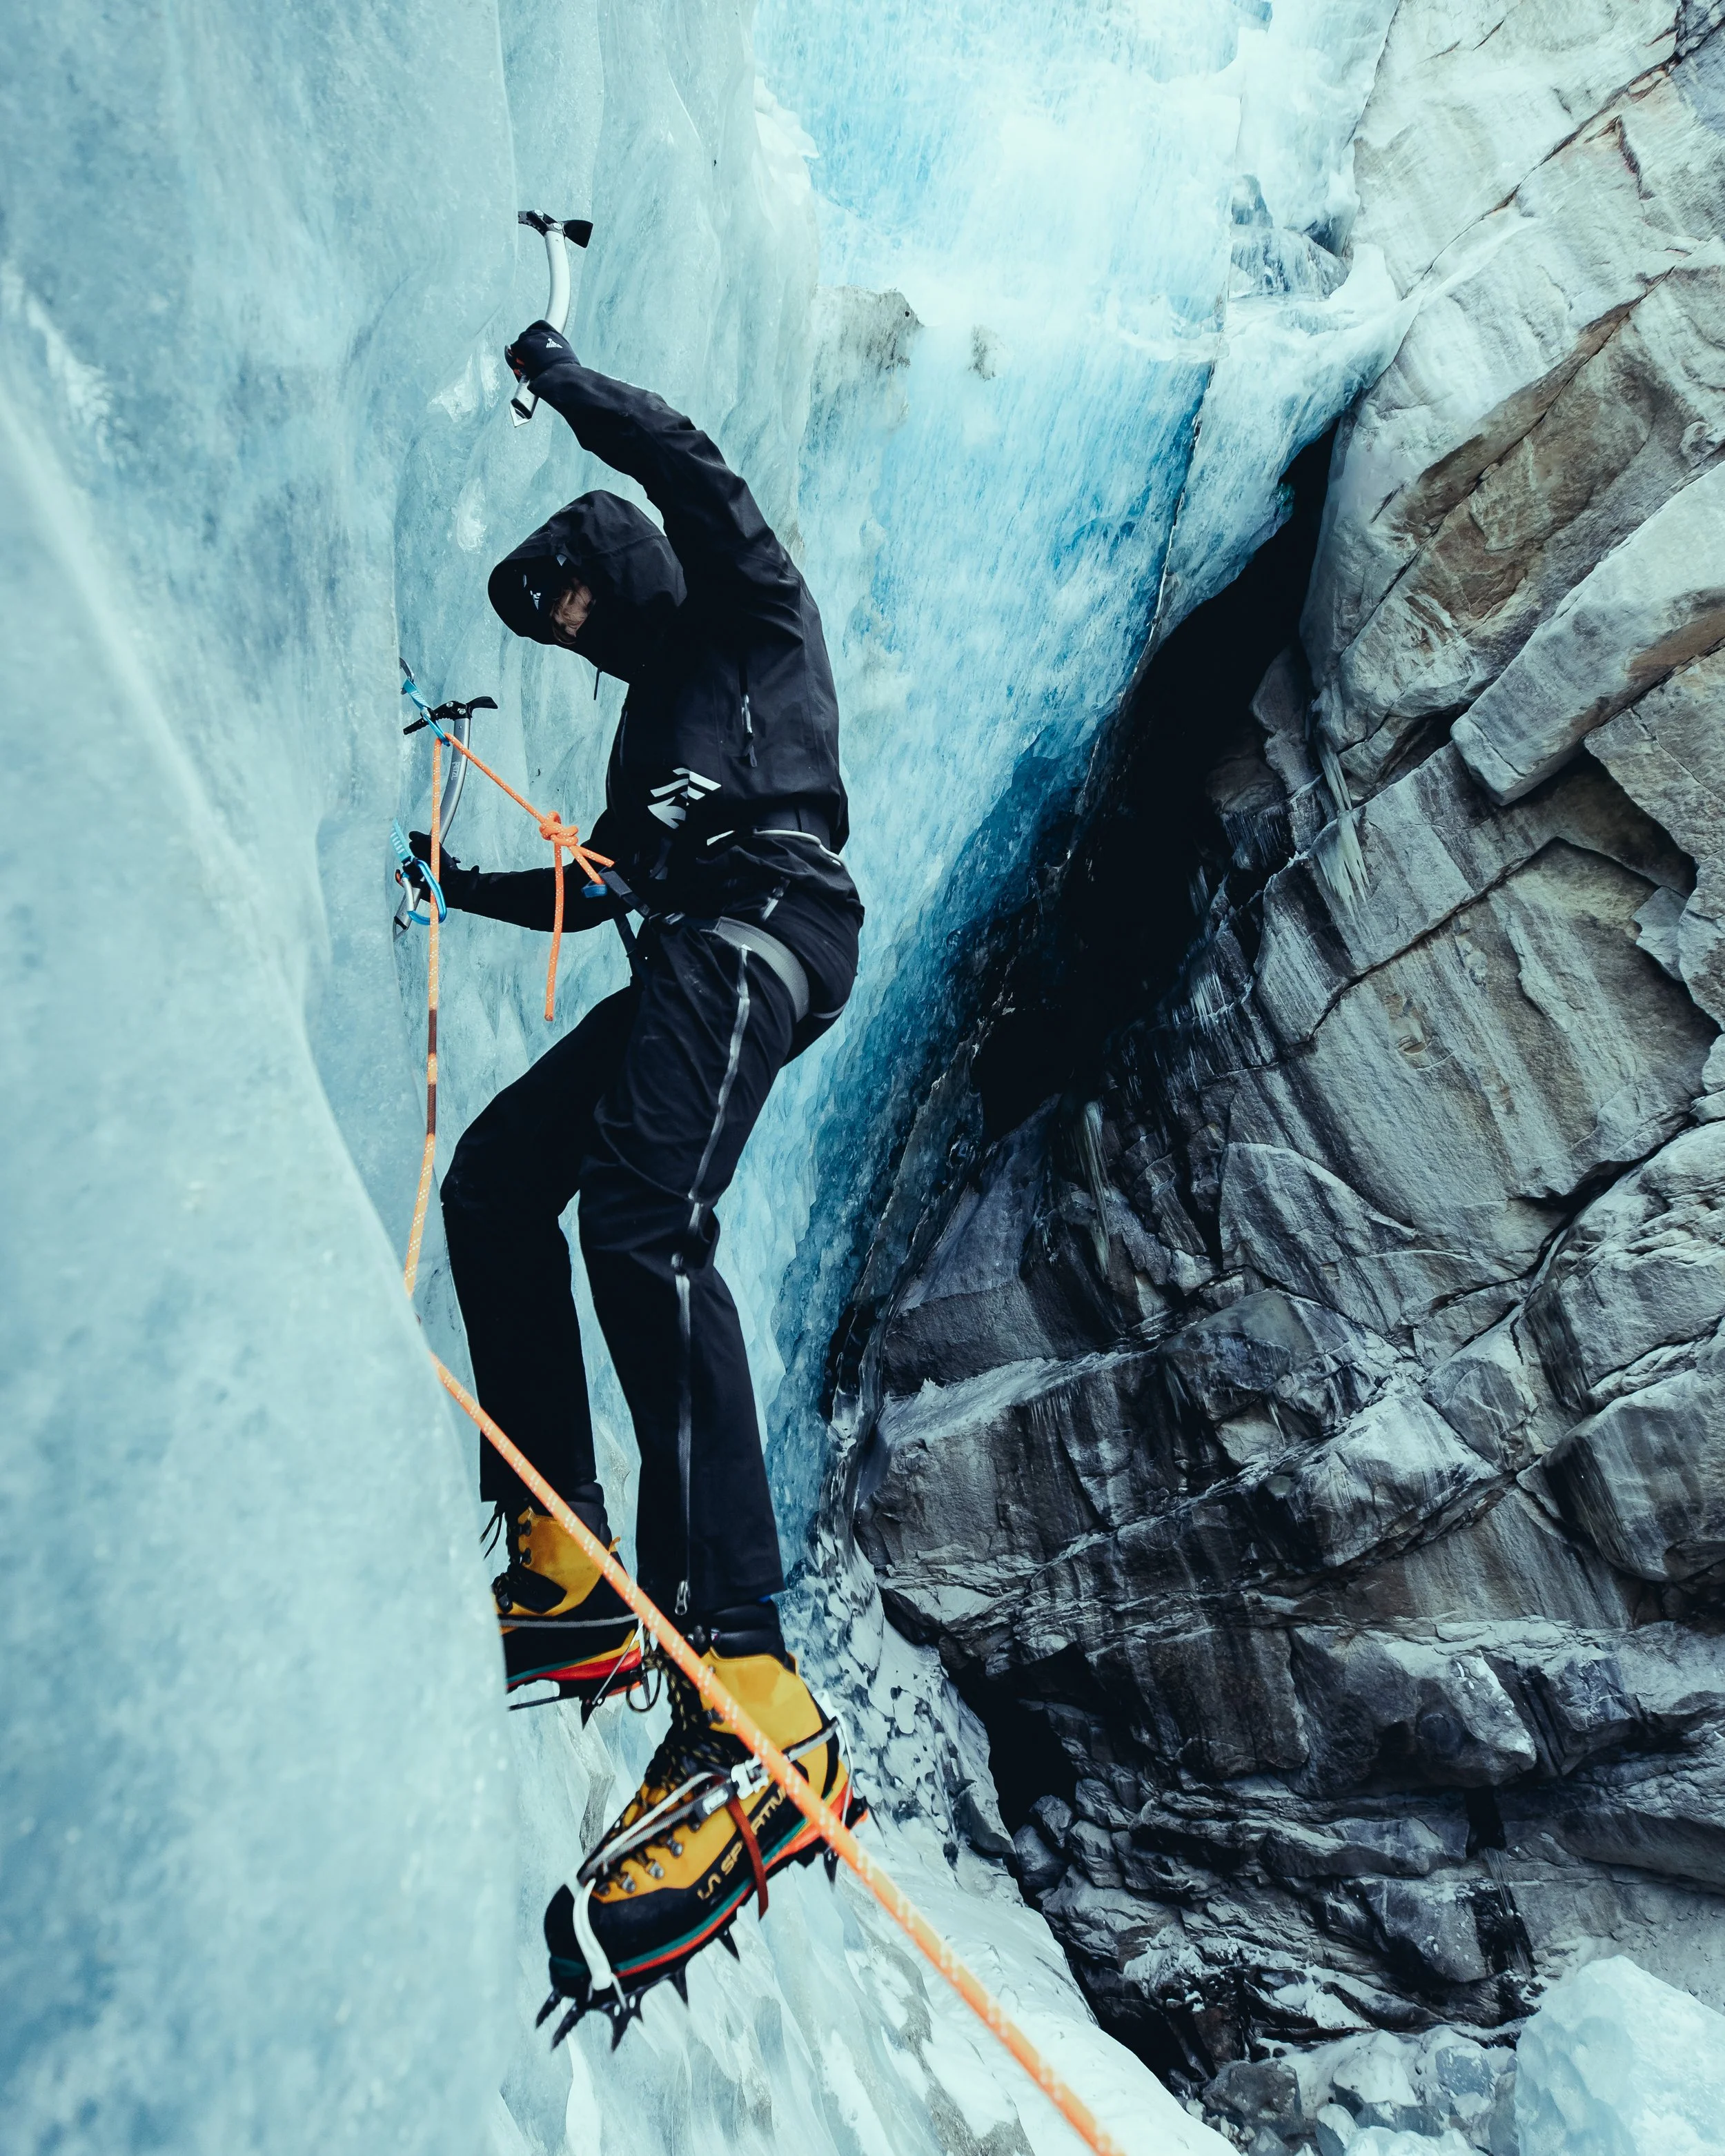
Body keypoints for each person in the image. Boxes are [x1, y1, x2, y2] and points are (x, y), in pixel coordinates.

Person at [412, 319, 865, 2010]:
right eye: (553, 624)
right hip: (686, 938)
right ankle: (566, 1552)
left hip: (769, 926)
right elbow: (596, 886)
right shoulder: (640, 753)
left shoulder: (750, 611)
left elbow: (693, 466)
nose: (571, 629)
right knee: (496, 1177)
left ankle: (747, 1672)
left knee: (644, 1224)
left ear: (615, 565)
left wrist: (557, 373)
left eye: (572, 600)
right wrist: (454, 884)